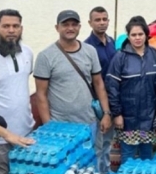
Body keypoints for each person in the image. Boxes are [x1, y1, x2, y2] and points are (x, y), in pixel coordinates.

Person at [34, 10, 112, 159]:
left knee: (92, 161)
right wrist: (49, 127)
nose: (70, 28)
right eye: (65, 25)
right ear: (57, 28)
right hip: (61, 126)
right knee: (65, 166)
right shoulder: (45, 56)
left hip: (89, 122)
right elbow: (41, 94)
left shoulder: (90, 51)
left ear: (80, 27)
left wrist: (106, 113)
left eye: (74, 25)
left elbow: (98, 84)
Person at [0, 9, 35, 174]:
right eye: (5, 26)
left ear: (21, 29)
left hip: (26, 132)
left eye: (15, 26)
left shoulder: (28, 52)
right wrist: (5, 134)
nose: (11, 30)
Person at [106, 16, 156, 163]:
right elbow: (112, 87)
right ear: (128, 36)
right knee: (128, 154)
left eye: (140, 34)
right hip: (128, 117)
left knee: (146, 152)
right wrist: (117, 113)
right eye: (133, 35)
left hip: (149, 116)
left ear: (146, 35)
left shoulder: (155, 55)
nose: (137, 38)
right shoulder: (120, 57)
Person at [84, 6, 116, 174]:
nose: (102, 23)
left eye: (105, 19)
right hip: (95, 102)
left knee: (108, 140)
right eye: (97, 20)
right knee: (97, 141)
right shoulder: (86, 47)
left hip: (112, 100)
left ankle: (107, 171)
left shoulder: (111, 42)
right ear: (90, 23)